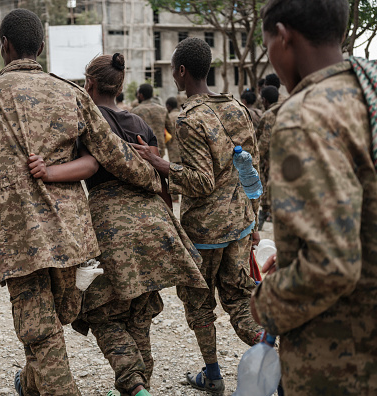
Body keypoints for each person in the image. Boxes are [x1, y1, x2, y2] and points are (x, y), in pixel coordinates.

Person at [0, 9, 162, 396]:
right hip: (72, 237)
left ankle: (42, 384)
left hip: (21, 242)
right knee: (49, 327)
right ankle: (30, 385)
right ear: (42, 47)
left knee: (44, 332)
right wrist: (155, 177)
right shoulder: (71, 93)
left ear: (5, 46)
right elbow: (113, 153)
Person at [28, 53, 208, 396]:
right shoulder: (140, 124)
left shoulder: (89, 121)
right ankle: (137, 387)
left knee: (105, 313)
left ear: (90, 84)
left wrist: (48, 172)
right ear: (121, 86)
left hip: (112, 225)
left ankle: (134, 385)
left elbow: (90, 166)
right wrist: (169, 225)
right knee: (139, 311)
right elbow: (160, 175)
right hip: (155, 219)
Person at [251, 0, 377, 394]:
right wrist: (295, 257)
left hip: (345, 359)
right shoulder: (374, 92)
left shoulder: (304, 118)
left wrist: (265, 302)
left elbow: (332, 265)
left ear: (282, 36)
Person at [131, 37, 262, 395]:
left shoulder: (191, 118)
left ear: (182, 71)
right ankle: (275, 352)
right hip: (238, 222)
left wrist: (161, 164)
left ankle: (213, 374)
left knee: (200, 304)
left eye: (173, 70)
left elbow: (201, 182)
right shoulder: (238, 108)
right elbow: (253, 169)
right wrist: (253, 218)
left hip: (204, 232)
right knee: (239, 298)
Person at [255, 85, 280, 229]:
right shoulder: (287, 109)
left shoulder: (269, 115)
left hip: (271, 160)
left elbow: (264, 140)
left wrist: (255, 159)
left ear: (264, 100)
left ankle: (266, 214)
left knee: (268, 190)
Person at [131, 83, 174, 158]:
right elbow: (171, 130)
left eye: (138, 94)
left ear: (141, 95)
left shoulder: (135, 111)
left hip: (144, 150)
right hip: (160, 149)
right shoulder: (162, 110)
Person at [165, 96, 182, 164]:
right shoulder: (183, 115)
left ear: (168, 106)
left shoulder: (168, 117)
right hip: (185, 151)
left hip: (173, 150)